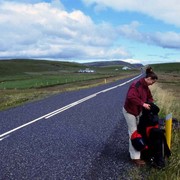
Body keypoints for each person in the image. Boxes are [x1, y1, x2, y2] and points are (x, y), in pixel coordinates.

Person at [123, 67, 158, 166]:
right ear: (149, 79)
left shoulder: (146, 87)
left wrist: (151, 103)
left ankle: (139, 149)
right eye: (153, 82)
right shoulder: (136, 85)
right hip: (129, 111)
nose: (152, 84)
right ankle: (135, 158)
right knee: (133, 134)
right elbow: (130, 97)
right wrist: (143, 104)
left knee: (138, 132)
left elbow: (149, 97)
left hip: (137, 112)